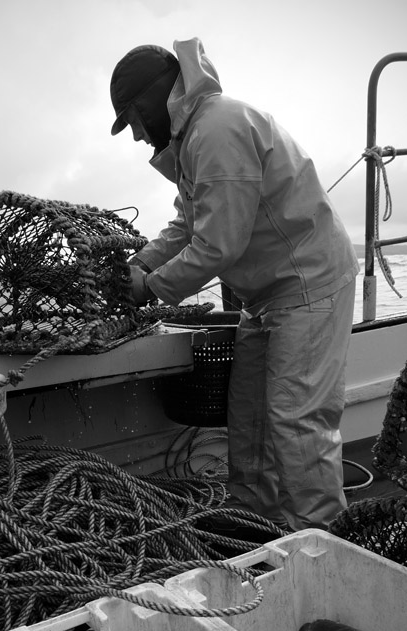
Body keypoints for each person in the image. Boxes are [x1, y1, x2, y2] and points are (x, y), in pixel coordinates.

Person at [109, 38, 359, 532]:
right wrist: (139, 262)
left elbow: (219, 245)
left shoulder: (216, 130)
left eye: (134, 118)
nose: (137, 135)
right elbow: (187, 226)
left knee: (296, 424)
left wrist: (148, 288)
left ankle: (325, 543)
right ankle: (260, 526)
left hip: (307, 287)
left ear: (154, 99)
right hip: (265, 298)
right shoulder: (193, 138)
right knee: (249, 421)